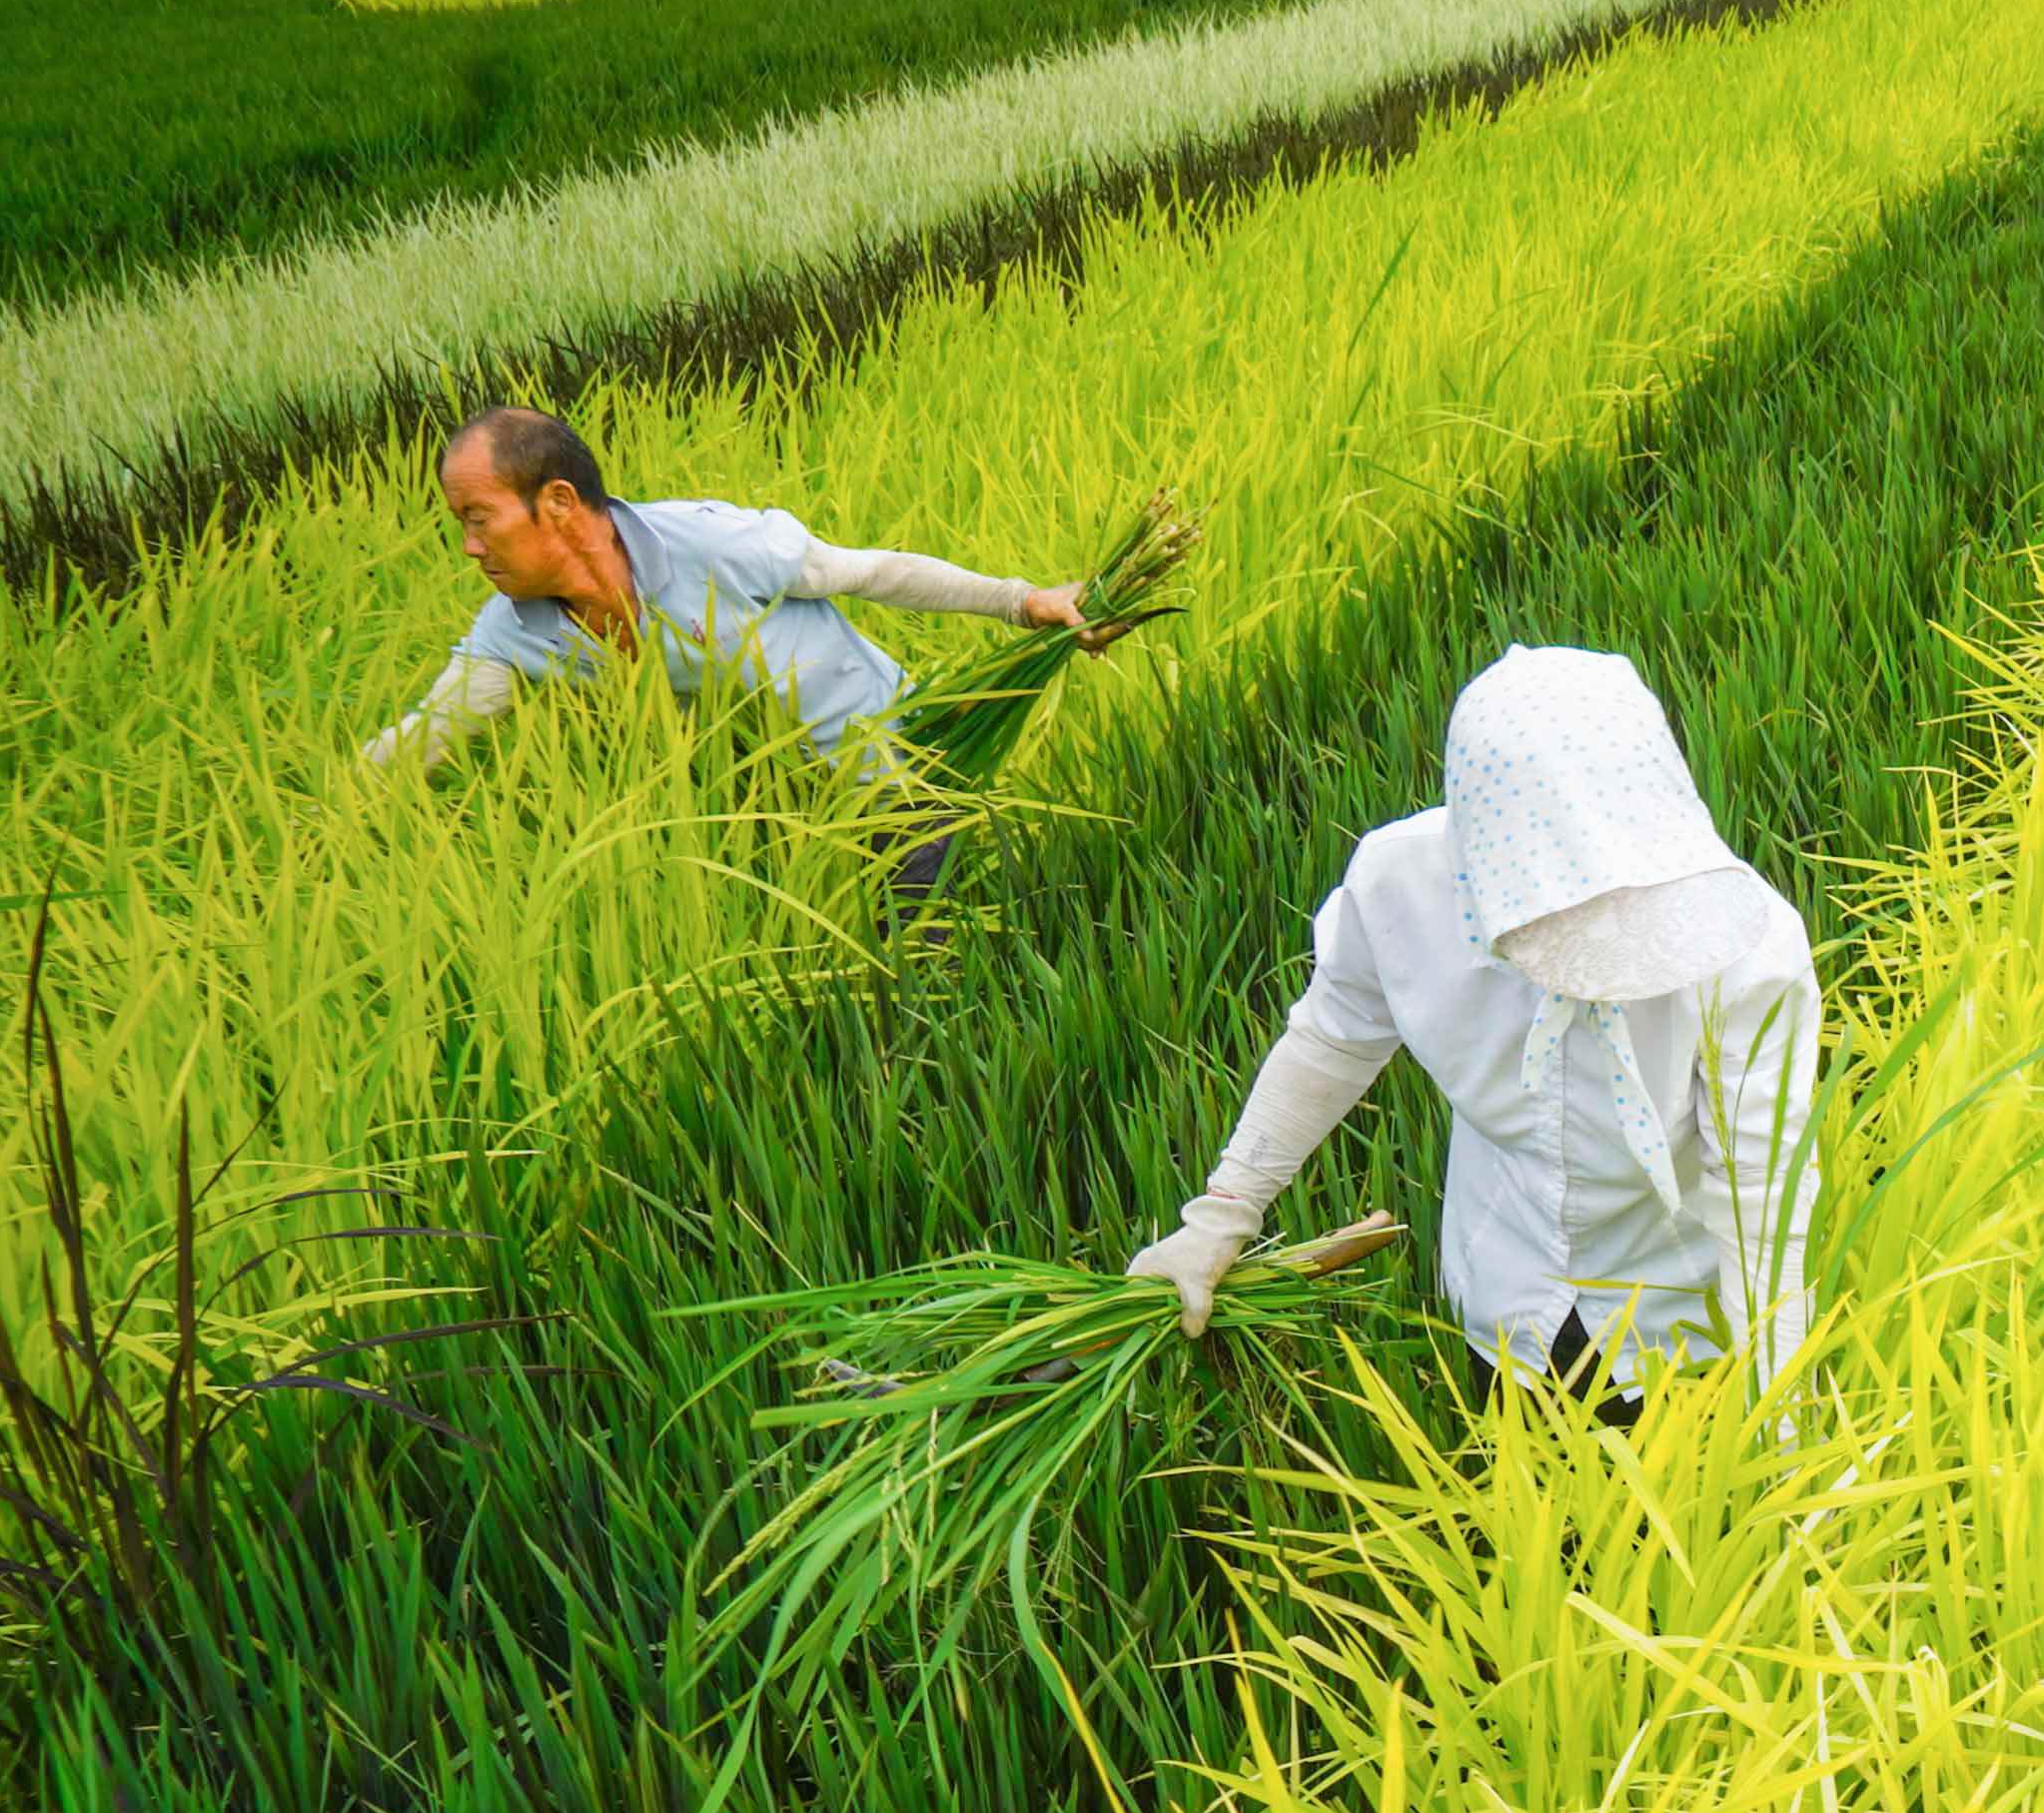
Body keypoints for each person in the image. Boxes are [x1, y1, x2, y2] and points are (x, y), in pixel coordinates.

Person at [1124, 645, 1817, 1422]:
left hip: (1682, 1318)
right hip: (1505, 1288)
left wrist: (1781, 1417)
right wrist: (1223, 1212)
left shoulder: (1745, 950)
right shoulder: (1400, 888)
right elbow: (1333, 1040)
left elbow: (1761, 1192)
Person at [357, 406, 1113, 833]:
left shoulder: (711, 543)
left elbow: (874, 573)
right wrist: (328, 819)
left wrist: (1023, 601)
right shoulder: (515, 631)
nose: (469, 547)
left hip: (892, 774)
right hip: (776, 822)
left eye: (480, 519)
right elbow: (430, 732)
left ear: (556, 504)